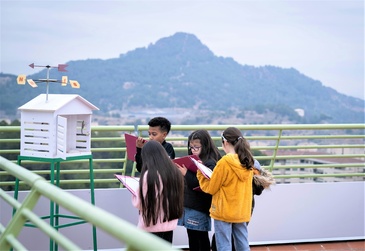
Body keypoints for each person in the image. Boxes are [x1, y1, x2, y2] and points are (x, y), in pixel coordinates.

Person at [197, 127, 254, 251]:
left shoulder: (224, 162)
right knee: (242, 242)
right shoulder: (247, 160)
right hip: (241, 210)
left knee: (224, 245)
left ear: (225, 142)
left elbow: (211, 188)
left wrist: (201, 174)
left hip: (224, 211)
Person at [210, 159, 275, 251]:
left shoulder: (230, 165)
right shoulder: (252, 170)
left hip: (229, 209)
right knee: (239, 238)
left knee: (223, 238)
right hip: (245, 210)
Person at [176, 129, 222, 251]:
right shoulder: (195, 159)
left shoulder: (210, 163)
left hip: (199, 206)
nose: (193, 150)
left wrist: (186, 174)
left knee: (200, 239)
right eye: (191, 147)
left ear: (205, 146)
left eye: (196, 147)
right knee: (192, 238)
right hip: (190, 205)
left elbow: (204, 186)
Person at [131, 140, 184, 243]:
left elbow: (139, 203)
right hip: (169, 225)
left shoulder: (149, 176)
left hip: (151, 225)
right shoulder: (174, 173)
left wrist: (136, 192)